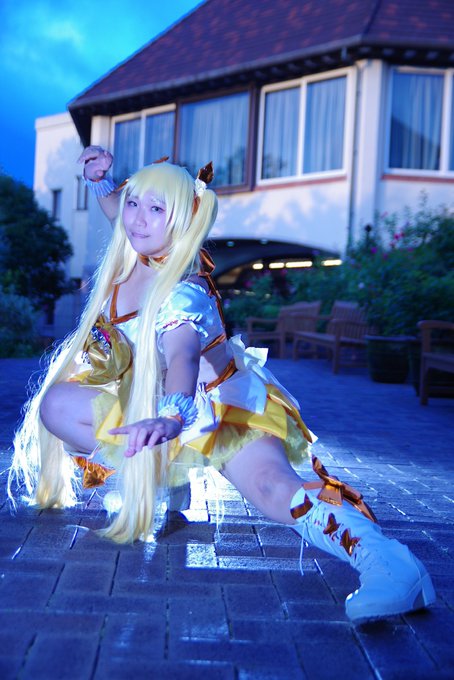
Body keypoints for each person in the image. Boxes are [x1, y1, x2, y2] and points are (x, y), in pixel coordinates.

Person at [9, 148, 436, 624]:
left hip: (223, 408)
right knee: (58, 405)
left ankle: (389, 564)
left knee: (273, 489)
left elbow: (182, 356)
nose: (138, 218)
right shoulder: (135, 250)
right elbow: (120, 214)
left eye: (156, 209)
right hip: (163, 409)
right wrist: (102, 183)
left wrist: (173, 415)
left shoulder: (182, 292)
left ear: (182, 222)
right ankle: (161, 482)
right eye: (135, 203)